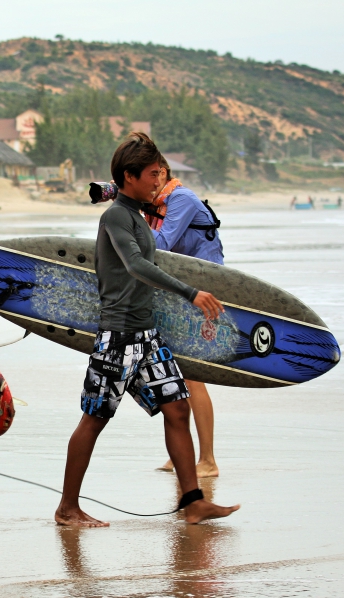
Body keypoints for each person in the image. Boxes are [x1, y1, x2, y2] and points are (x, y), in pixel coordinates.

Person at [54, 132, 240, 528]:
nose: (159, 181)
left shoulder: (137, 215)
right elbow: (138, 265)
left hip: (146, 335)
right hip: (119, 337)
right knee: (94, 418)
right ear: (129, 176)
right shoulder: (117, 217)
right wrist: (192, 293)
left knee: (178, 408)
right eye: (153, 174)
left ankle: (193, 501)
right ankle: (67, 507)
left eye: (160, 173)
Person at [148, 161, 223, 478]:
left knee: (192, 375)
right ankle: (182, 455)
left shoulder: (182, 199)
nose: (148, 183)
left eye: (152, 176)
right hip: (180, 289)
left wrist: (126, 225)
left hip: (204, 292)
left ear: (163, 173)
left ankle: (208, 460)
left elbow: (160, 244)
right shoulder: (154, 204)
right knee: (173, 371)